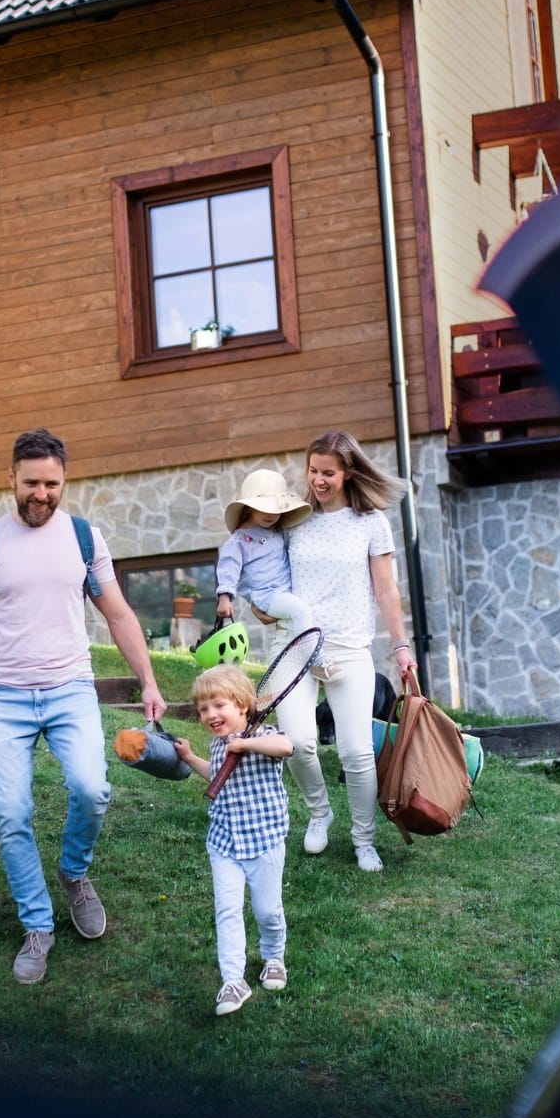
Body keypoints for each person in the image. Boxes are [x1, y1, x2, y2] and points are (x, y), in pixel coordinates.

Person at [0, 427, 167, 985]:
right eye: (32, 482)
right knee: (10, 813)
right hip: (4, 697)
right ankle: (38, 926)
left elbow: (119, 615)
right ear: (11, 478)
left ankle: (74, 873)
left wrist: (150, 681)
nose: (41, 494)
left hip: (69, 690)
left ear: (65, 481)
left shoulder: (85, 538)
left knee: (92, 788)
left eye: (52, 484)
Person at [254, 430, 418, 874]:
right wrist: (259, 605)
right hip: (295, 646)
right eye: (313, 471)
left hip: (349, 646)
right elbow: (267, 575)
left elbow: (385, 589)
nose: (319, 480)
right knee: (299, 743)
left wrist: (401, 645)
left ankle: (364, 840)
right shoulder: (292, 520)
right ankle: (319, 813)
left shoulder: (370, 523)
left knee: (357, 751)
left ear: (348, 473)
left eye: (328, 472)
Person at [174, 664, 293, 1016]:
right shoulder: (216, 745)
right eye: (203, 709)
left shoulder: (265, 734)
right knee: (227, 910)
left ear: (242, 705)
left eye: (218, 705)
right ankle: (233, 981)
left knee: (267, 910)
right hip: (224, 843)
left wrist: (246, 743)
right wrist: (191, 757)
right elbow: (217, 774)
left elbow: (286, 746)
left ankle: (274, 956)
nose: (210, 714)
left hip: (264, 841)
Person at [215, 468, 313, 635]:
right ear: (249, 508)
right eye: (264, 508)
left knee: (301, 612)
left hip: (287, 591)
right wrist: (224, 599)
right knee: (300, 610)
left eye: (276, 510)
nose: (271, 515)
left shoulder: (277, 531)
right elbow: (228, 568)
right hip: (268, 596)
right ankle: (316, 657)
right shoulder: (239, 541)